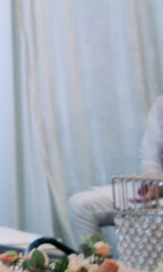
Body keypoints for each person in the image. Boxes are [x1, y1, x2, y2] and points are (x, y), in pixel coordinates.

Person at [68, 96, 163, 247]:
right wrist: (154, 184)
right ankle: (97, 259)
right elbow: (150, 156)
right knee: (81, 206)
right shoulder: (160, 105)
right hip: (157, 189)